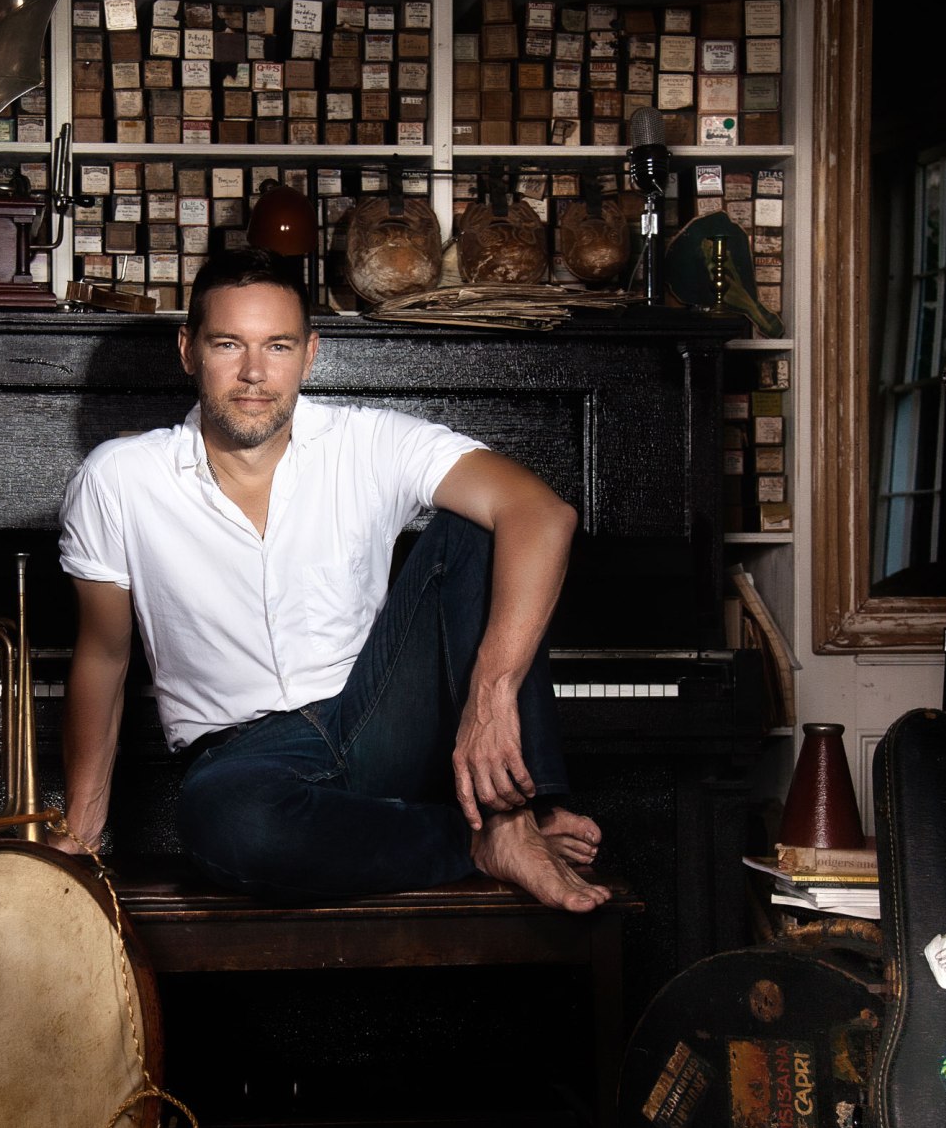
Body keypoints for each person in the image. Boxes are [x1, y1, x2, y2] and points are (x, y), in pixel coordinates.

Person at [50, 247, 606, 912]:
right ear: (188, 351)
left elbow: (542, 515)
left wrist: (492, 693)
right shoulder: (119, 478)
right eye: (228, 344)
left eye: (278, 346)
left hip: (376, 719)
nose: (254, 373)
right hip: (248, 760)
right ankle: (483, 841)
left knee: (480, 527)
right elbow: (104, 656)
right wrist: (81, 832)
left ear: (309, 355)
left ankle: (516, 815)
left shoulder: (370, 442)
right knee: (228, 821)